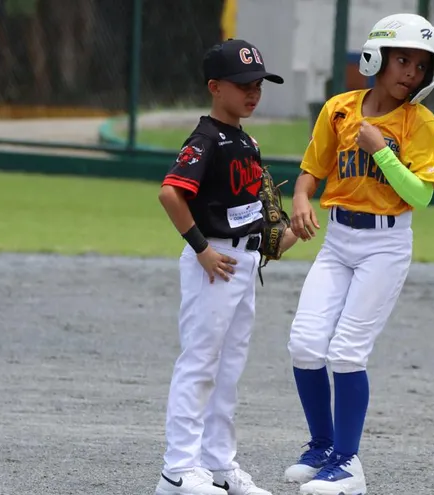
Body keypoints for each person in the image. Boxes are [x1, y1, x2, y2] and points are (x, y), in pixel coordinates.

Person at [283, 13, 434, 495]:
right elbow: (312, 171)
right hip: (337, 241)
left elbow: (420, 196)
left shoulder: (420, 123)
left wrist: (382, 151)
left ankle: (349, 464)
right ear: (375, 57)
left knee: (347, 352)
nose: (410, 74)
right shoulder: (339, 109)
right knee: (305, 344)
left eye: (420, 66)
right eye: (402, 60)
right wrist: (299, 200)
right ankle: (322, 449)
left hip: (385, 244)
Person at [154, 38, 297, 495]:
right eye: (242, 85)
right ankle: (177, 470)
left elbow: (257, 214)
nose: (252, 92)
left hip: (243, 258)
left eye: (258, 83)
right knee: (200, 364)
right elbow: (170, 194)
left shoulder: (246, 140)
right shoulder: (206, 139)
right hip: (214, 259)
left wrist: (292, 230)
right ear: (215, 87)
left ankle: (218, 465)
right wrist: (200, 249)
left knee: (228, 370)